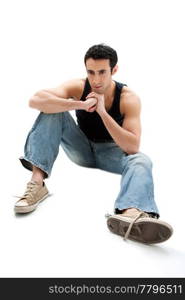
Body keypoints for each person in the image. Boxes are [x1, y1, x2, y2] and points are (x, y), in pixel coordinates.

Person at [15, 44, 173, 244]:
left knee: (141, 160)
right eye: (91, 72)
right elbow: (36, 100)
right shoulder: (78, 87)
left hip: (111, 153)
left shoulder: (128, 98)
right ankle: (37, 185)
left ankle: (130, 213)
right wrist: (79, 104)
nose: (96, 80)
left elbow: (132, 147)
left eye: (102, 72)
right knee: (52, 110)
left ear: (113, 70)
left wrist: (102, 111)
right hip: (81, 149)